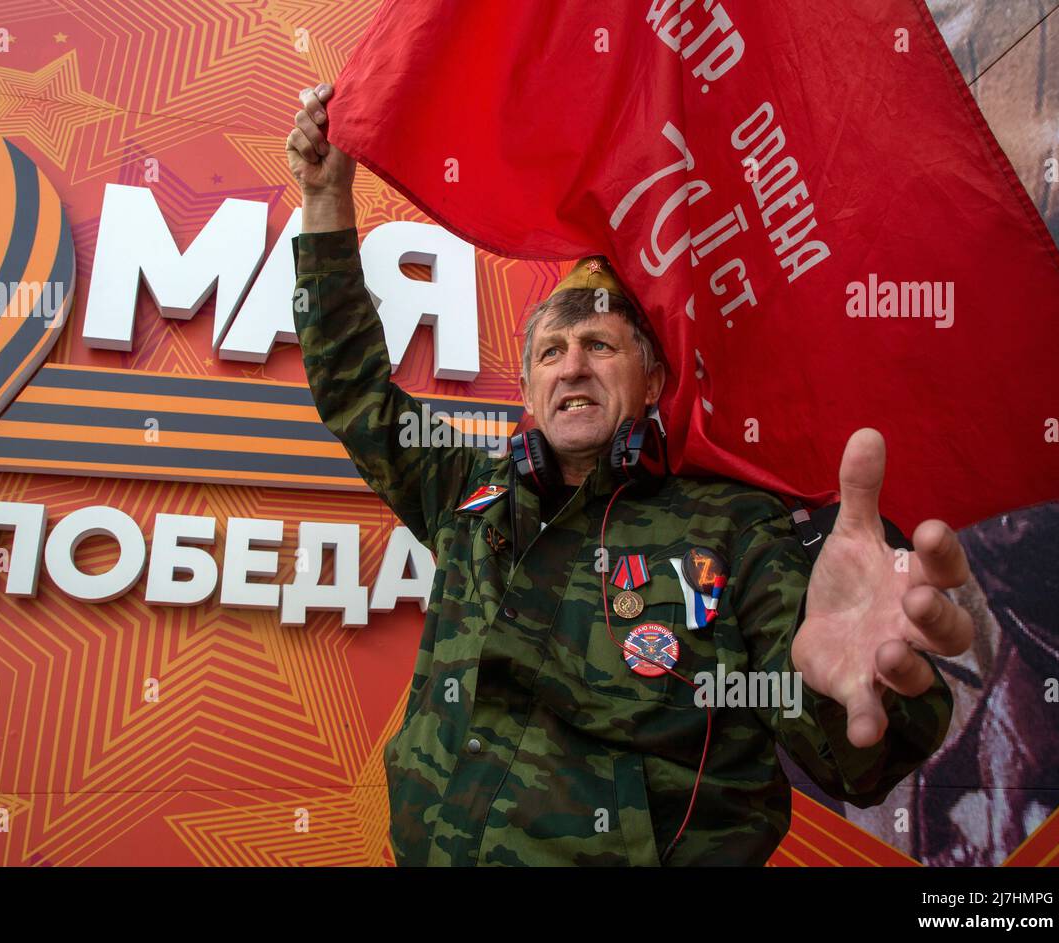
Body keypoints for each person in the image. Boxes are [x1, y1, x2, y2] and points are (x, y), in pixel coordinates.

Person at [285, 82, 975, 866]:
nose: (572, 365)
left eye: (600, 346)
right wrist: (325, 195)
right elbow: (353, 386)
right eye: (552, 352)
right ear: (527, 390)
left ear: (653, 384)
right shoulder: (468, 493)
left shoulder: (734, 526)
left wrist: (875, 689)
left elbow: (852, 749)